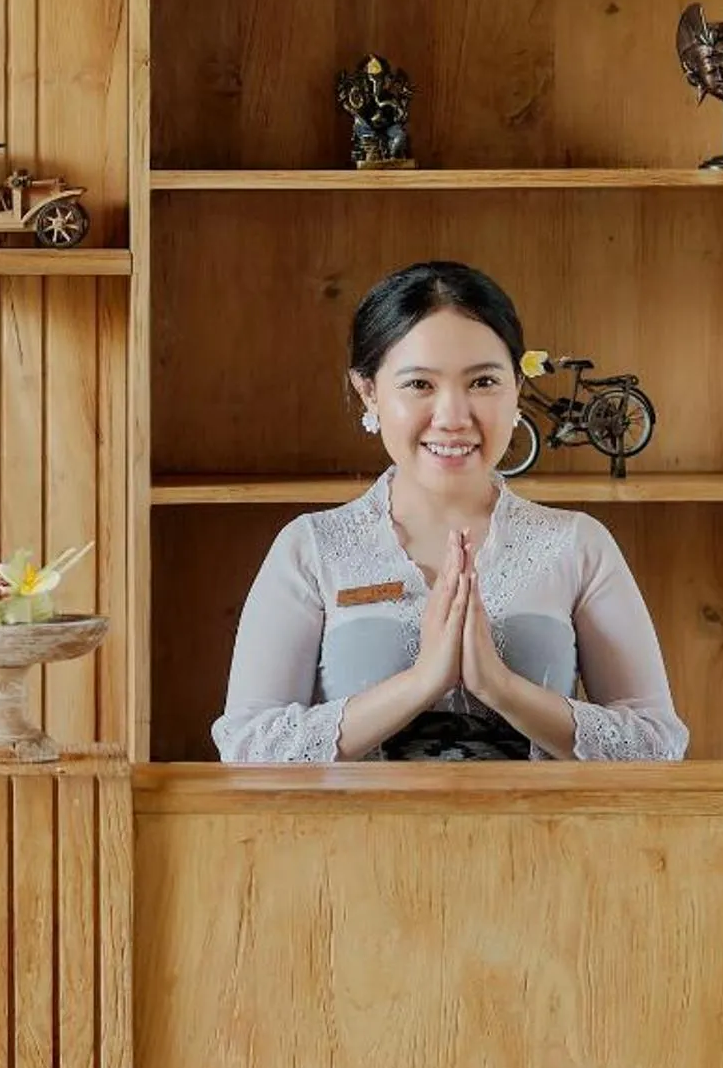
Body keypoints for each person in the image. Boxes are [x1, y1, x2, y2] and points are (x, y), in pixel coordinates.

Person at [215, 260, 686, 764]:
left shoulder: (578, 545)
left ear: (517, 387)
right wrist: (421, 683)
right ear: (368, 391)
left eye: (483, 382)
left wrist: (501, 686)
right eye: (419, 385)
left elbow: (658, 742)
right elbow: (247, 746)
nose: (454, 418)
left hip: (542, 841)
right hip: (356, 844)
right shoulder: (311, 549)